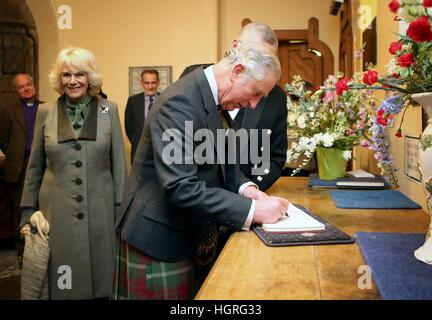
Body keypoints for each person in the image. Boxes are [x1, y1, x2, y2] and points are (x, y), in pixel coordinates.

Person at [114, 43, 290, 300]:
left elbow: (221, 162)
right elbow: (181, 188)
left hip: (185, 235)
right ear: (237, 71)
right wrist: (253, 211)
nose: (253, 105)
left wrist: (247, 189)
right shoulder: (180, 102)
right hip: (157, 239)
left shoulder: (214, 97)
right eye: (254, 93)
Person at [20, 47, 127, 299]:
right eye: (66, 75)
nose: (73, 81)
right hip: (55, 214)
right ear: (59, 79)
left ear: (90, 77)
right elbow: (34, 166)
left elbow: (120, 167)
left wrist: (120, 214)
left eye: (79, 74)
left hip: (100, 214)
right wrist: (27, 213)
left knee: (101, 284)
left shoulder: (107, 110)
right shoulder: (46, 112)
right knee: (62, 284)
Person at [180, 22, 288, 191]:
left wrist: (250, 190)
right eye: (255, 55)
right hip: (199, 196)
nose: (260, 64)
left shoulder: (276, 98)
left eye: (267, 58)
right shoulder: (195, 79)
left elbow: (274, 157)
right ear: (235, 46)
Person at [0, 73, 42, 257]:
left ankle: (42, 245)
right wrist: (16, 153)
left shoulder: (46, 107)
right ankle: (22, 250)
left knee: (43, 204)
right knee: (20, 207)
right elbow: (3, 139)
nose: (26, 88)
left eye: (29, 84)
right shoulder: (9, 110)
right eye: (21, 86)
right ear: (16, 90)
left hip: (43, 163)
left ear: (34, 85)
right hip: (19, 165)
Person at [125, 69, 161, 163]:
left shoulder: (165, 99)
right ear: (141, 82)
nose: (150, 86)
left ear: (158, 82)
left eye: (153, 82)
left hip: (161, 151)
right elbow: (128, 127)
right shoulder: (133, 101)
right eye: (146, 83)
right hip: (138, 151)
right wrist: (136, 141)